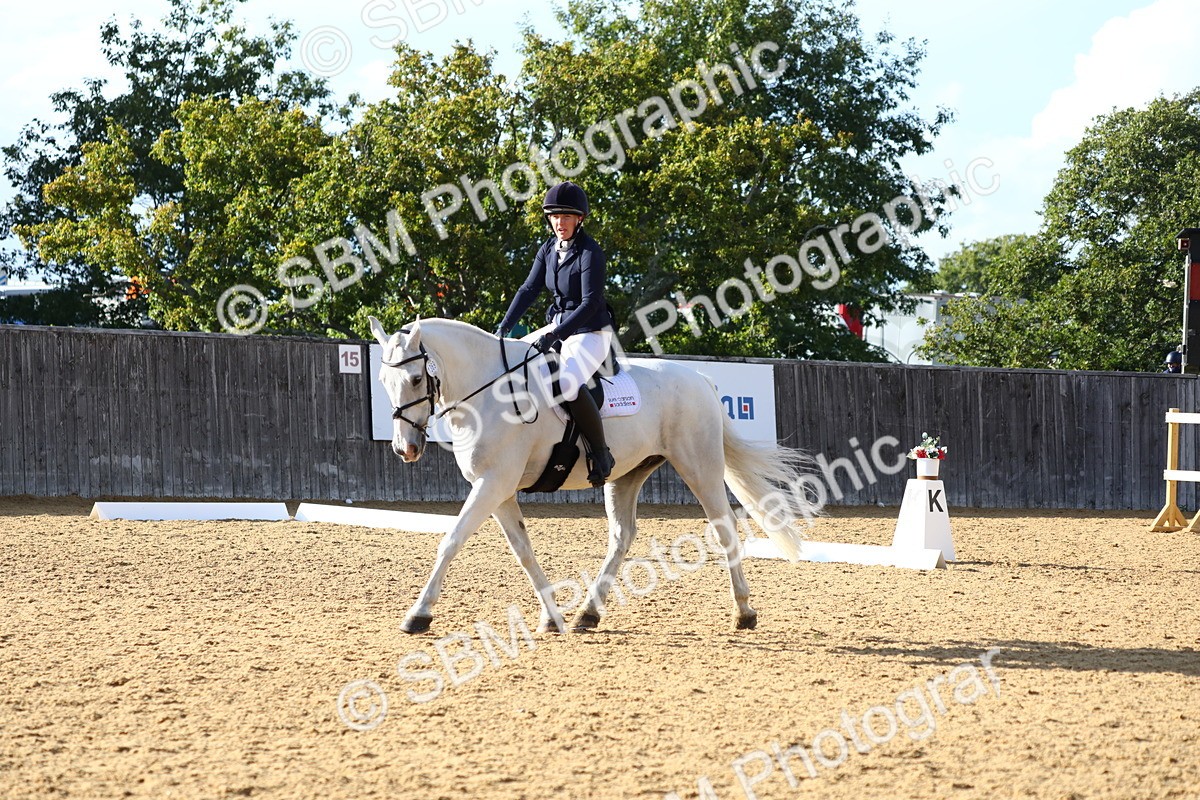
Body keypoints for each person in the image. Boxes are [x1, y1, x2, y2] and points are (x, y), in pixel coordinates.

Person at [495, 181, 616, 486]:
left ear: (579, 219)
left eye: (566, 217)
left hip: (590, 330)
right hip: (558, 327)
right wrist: (504, 326)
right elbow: (529, 288)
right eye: (554, 217)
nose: (559, 223)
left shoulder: (591, 252)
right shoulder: (549, 249)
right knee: (513, 364)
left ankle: (602, 453)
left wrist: (554, 335)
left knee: (567, 383)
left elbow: (590, 303)